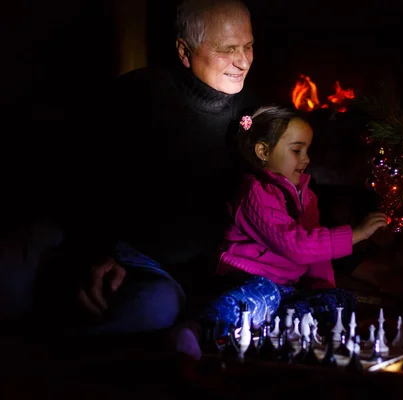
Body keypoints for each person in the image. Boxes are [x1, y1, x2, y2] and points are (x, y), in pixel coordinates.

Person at [34, 0, 260, 337]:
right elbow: (77, 180)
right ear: (185, 52)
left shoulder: (252, 112)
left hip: (186, 272)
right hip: (123, 255)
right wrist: (92, 250)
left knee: (157, 306)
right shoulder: (138, 96)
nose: (243, 61)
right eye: (228, 49)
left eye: (248, 46)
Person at [171, 105, 388, 358]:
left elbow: (316, 256)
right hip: (246, 280)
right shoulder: (254, 193)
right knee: (264, 292)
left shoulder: (307, 197)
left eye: (307, 150)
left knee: (339, 300)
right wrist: (355, 234)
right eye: (297, 150)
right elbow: (295, 245)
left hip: (285, 289)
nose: (306, 159)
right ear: (263, 151)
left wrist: (322, 289)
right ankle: (197, 329)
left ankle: (277, 330)